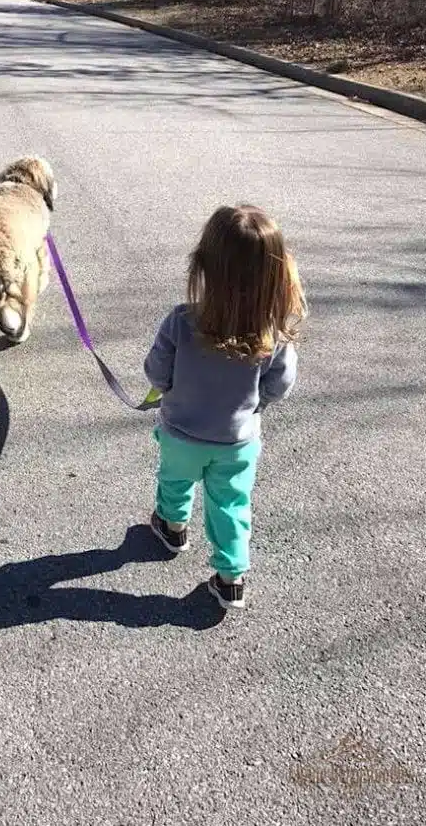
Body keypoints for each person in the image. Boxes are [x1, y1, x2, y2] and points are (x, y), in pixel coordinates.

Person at [144, 205, 307, 610]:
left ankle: (173, 526)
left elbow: (156, 372)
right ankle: (232, 576)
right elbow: (279, 385)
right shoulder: (272, 333)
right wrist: (255, 406)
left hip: (181, 432)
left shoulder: (182, 321)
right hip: (237, 442)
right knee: (231, 504)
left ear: (204, 267)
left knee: (175, 480)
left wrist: (166, 388)